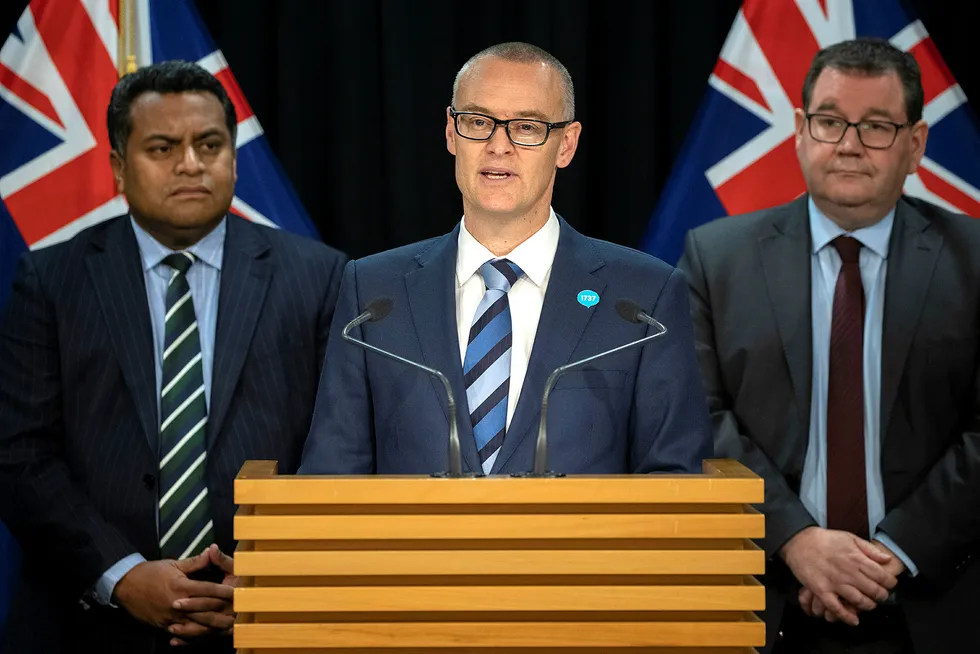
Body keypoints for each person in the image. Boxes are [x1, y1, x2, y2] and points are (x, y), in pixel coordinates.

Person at [0, 61, 347, 653]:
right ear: (117, 167)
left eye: (209, 144)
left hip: (270, 618)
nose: (190, 163)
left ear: (234, 158)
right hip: (87, 625)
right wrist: (122, 575)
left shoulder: (319, 276)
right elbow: (20, 454)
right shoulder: (52, 279)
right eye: (163, 147)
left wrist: (276, 573)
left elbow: (341, 446)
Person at [678, 37, 980, 653]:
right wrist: (794, 539)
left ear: (916, 144)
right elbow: (695, 420)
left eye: (876, 126)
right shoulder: (716, 258)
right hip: (762, 597)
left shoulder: (974, 261)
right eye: (830, 121)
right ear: (798, 129)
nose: (847, 144)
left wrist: (892, 554)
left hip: (933, 601)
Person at [299, 42, 712, 477]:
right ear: (450, 132)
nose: (499, 145)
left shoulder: (644, 297)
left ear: (566, 144)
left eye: (527, 127)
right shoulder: (373, 293)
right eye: (478, 122)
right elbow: (331, 477)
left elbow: (676, 481)